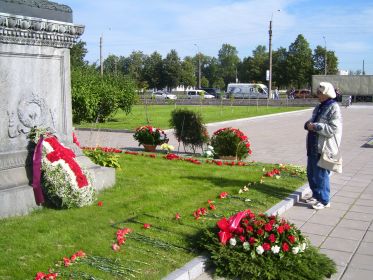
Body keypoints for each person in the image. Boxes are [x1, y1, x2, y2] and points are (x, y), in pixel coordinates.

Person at [304, 82, 342, 210]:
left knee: (321, 175)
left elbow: (333, 128)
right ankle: (316, 195)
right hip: (313, 145)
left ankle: (324, 200)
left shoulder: (333, 107)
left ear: (326, 94)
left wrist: (315, 126)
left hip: (324, 147)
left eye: (320, 93)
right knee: (311, 173)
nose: (317, 95)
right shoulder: (320, 106)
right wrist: (308, 124)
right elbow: (312, 120)